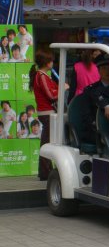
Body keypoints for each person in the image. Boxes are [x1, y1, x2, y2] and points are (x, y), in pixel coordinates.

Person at [29, 49, 69, 181]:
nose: (53, 62)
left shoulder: (42, 76)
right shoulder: (41, 76)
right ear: (47, 62)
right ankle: (46, 171)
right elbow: (51, 96)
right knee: (47, 143)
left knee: (47, 142)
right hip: (48, 113)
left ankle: (45, 171)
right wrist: (63, 88)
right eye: (51, 60)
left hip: (47, 113)